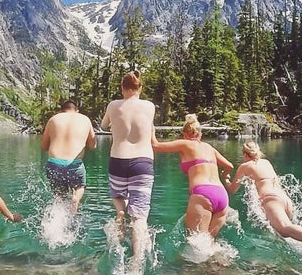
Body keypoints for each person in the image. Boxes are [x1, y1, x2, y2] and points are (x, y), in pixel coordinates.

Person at [224, 141, 302, 254]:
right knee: (283, 231)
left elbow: (233, 189)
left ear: (245, 154)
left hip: (271, 199)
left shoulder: (245, 166)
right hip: (284, 199)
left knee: (284, 228)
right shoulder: (266, 162)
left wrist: (226, 179)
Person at [100, 70, 155, 263]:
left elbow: (103, 125)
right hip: (143, 163)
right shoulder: (149, 106)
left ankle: (120, 213)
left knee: (117, 196)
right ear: (140, 88)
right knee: (139, 218)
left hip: (117, 160)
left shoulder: (114, 105)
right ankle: (136, 264)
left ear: (122, 88)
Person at [151, 114, 234, 239]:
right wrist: (225, 175)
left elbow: (156, 146)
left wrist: (151, 128)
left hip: (203, 194)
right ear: (200, 134)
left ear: (185, 134)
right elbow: (230, 166)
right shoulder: (209, 147)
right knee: (209, 242)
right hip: (222, 195)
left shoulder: (185, 144)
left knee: (196, 243)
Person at [40, 99, 97, 212]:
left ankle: (57, 217)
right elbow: (92, 145)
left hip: (54, 163)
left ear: (62, 110)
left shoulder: (53, 119)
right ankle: (76, 198)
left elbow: (43, 146)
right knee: (79, 186)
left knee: (59, 198)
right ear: (77, 110)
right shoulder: (85, 119)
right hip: (74, 164)